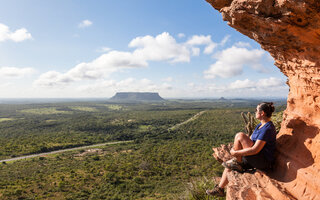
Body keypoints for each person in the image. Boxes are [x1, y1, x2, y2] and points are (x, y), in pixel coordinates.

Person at [206, 102, 277, 197]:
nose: (255, 112)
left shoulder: (267, 128)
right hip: (254, 158)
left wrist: (235, 152)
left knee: (240, 135)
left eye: (256, 110)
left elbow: (255, 150)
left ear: (262, 113)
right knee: (229, 165)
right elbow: (250, 140)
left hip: (263, 161)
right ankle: (220, 189)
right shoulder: (259, 126)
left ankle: (238, 162)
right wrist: (238, 149)